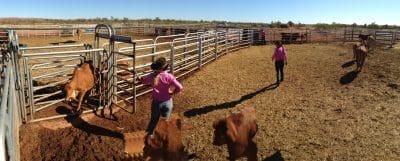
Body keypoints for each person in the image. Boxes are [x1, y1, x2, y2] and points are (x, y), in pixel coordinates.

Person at [140, 57, 183, 137]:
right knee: (165, 121)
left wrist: (140, 79)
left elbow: (143, 81)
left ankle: (149, 136)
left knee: (153, 120)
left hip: (156, 103)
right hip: (168, 102)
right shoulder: (169, 76)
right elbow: (180, 87)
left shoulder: (151, 76)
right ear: (165, 67)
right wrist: (172, 92)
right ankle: (163, 137)